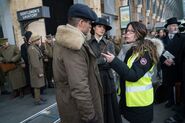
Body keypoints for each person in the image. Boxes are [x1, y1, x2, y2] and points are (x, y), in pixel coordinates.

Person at [102, 21, 164, 123]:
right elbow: (124, 69)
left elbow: (133, 75)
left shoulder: (145, 52)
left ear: (139, 33)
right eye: (127, 31)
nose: (127, 34)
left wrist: (114, 61)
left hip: (140, 103)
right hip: (129, 100)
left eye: (131, 31)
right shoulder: (132, 50)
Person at [52, 4, 103, 123]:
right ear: (81, 23)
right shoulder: (74, 45)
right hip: (78, 111)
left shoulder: (65, 40)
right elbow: (79, 86)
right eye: (89, 23)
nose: (91, 27)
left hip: (70, 104)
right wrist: (90, 117)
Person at [88, 17, 122, 123]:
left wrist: (97, 61)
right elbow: (87, 63)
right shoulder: (87, 44)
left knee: (109, 106)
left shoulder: (109, 43)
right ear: (93, 28)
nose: (102, 29)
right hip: (93, 77)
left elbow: (112, 62)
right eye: (99, 26)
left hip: (107, 78)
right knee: (96, 103)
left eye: (104, 27)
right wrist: (103, 60)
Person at [161, 17, 185, 108]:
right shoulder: (163, 40)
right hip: (167, 67)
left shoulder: (182, 38)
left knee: (178, 85)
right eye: (172, 26)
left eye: (176, 26)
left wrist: (173, 60)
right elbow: (159, 53)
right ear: (168, 28)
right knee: (168, 85)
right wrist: (164, 61)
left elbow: (183, 53)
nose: (175, 27)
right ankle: (170, 100)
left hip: (177, 67)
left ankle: (178, 102)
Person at [27, 35, 46, 105]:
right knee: (37, 86)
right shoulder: (32, 49)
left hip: (37, 69)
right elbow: (35, 63)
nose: (39, 41)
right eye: (38, 40)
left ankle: (39, 97)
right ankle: (37, 100)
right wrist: (39, 72)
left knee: (39, 85)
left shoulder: (35, 47)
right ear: (34, 41)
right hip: (36, 70)